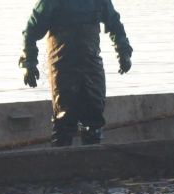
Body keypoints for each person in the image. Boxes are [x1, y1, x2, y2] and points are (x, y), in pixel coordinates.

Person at [20, 0, 133, 147]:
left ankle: (93, 157)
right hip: (63, 66)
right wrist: (28, 63)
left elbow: (115, 25)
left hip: (91, 65)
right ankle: (61, 157)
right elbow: (30, 32)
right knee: (64, 120)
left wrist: (124, 52)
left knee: (94, 120)